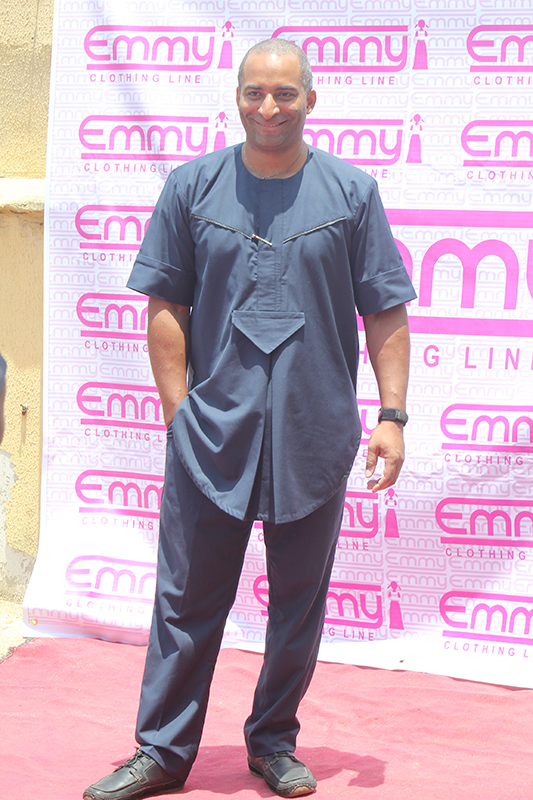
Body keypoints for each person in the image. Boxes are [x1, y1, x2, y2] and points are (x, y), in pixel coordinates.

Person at [83, 38, 415, 800]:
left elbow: (384, 310)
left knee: (297, 605)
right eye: (254, 93)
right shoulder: (191, 187)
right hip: (213, 435)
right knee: (184, 601)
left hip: (313, 432)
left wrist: (391, 415)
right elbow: (165, 306)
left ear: (310, 100)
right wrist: (180, 416)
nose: (269, 107)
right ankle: (161, 751)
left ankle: (272, 743)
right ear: (235, 98)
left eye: (284, 93)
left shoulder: (352, 193)